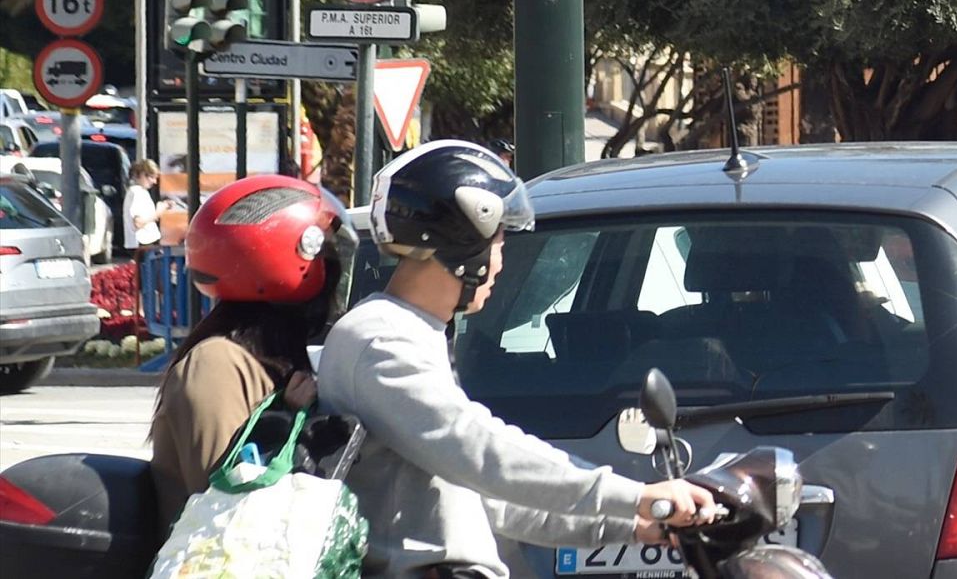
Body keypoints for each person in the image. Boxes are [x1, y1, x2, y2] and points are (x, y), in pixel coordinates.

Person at [319, 140, 713, 579]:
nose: (501, 261)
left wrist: (635, 525)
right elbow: (480, 450)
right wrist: (634, 495)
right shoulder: (380, 339)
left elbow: (491, 499)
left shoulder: (414, 332)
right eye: (499, 241)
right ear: (464, 246)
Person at [148, 174, 355, 528]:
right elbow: (225, 502)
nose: (334, 288)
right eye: (330, 268)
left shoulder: (270, 361)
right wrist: (285, 418)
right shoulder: (216, 364)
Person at [124, 159, 175, 258]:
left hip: (145, 243)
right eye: (152, 177)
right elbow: (138, 222)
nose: (154, 182)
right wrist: (158, 212)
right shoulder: (136, 193)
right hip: (143, 243)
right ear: (142, 175)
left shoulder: (140, 192)